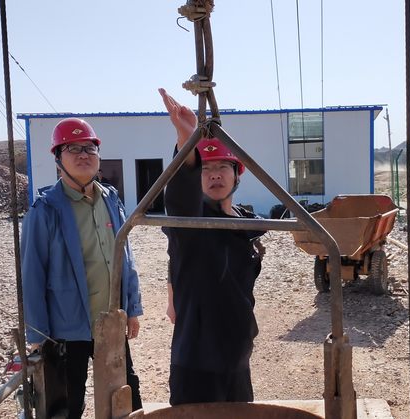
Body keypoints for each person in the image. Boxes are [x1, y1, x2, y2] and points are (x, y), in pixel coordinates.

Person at [21, 117, 144, 417]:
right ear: (57, 159)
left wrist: (133, 308)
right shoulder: (45, 210)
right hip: (65, 329)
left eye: (89, 148)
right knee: (67, 404)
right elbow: (32, 275)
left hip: (110, 321)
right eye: (72, 148)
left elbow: (125, 257)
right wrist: (36, 334)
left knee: (124, 395)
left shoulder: (111, 200)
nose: (83, 155)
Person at [159, 88, 266, 405]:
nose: (214, 175)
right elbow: (180, 197)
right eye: (205, 168)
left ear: (237, 174)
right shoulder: (192, 223)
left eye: (222, 167)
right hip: (197, 364)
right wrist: (186, 140)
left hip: (237, 359)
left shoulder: (246, 225)